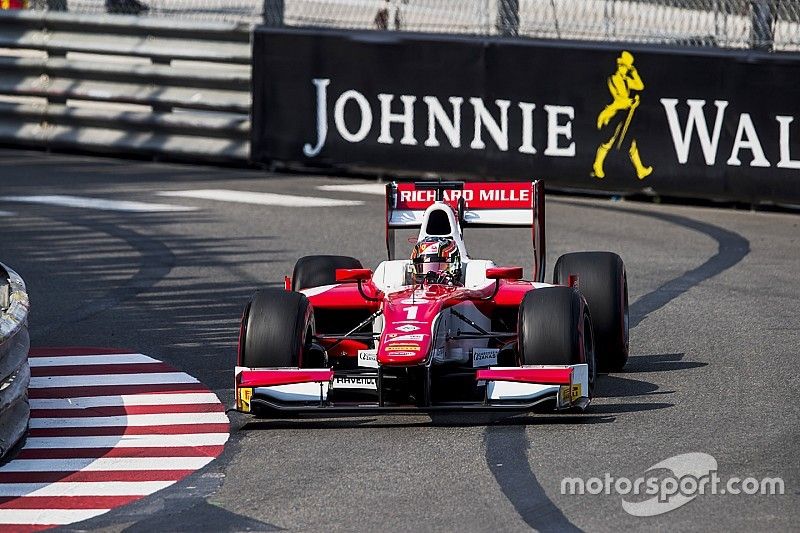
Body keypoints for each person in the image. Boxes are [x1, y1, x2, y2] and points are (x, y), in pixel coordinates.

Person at [592, 50, 653, 180]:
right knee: (609, 140)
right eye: (623, 66)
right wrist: (631, 102)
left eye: (626, 67)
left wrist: (634, 71)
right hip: (613, 113)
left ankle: (640, 170)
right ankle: (597, 165)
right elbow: (619, 99)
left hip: (625, 114)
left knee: (631, 143)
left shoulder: (626, 80)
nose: (624, 69)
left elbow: (640, 86)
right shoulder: (614, 79)